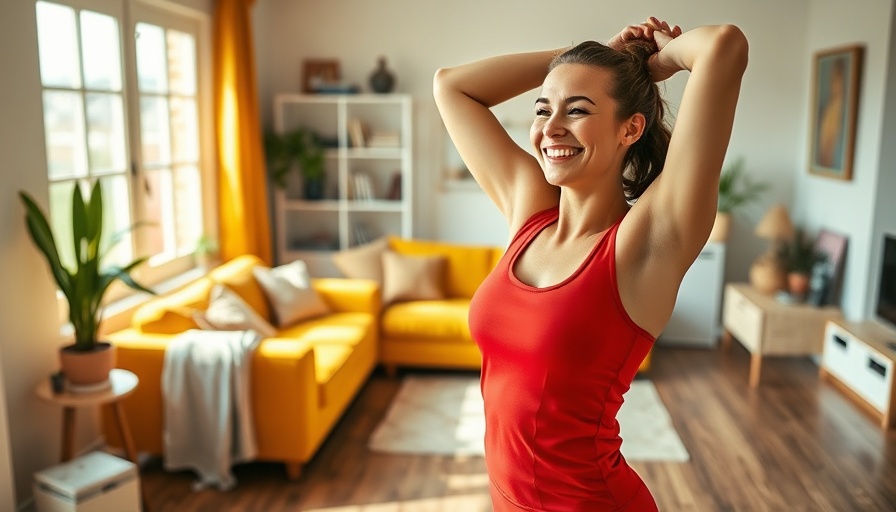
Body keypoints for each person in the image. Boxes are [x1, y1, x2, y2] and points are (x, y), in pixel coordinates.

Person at [433, 17, 748, 512]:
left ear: (631, 127)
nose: (551, 127)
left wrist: (652, 63)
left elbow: (723, 47)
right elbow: (451, 86)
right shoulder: (530, 214)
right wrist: (594, 54)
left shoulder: (645, 242)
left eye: (577, 110)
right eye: (543, 109)